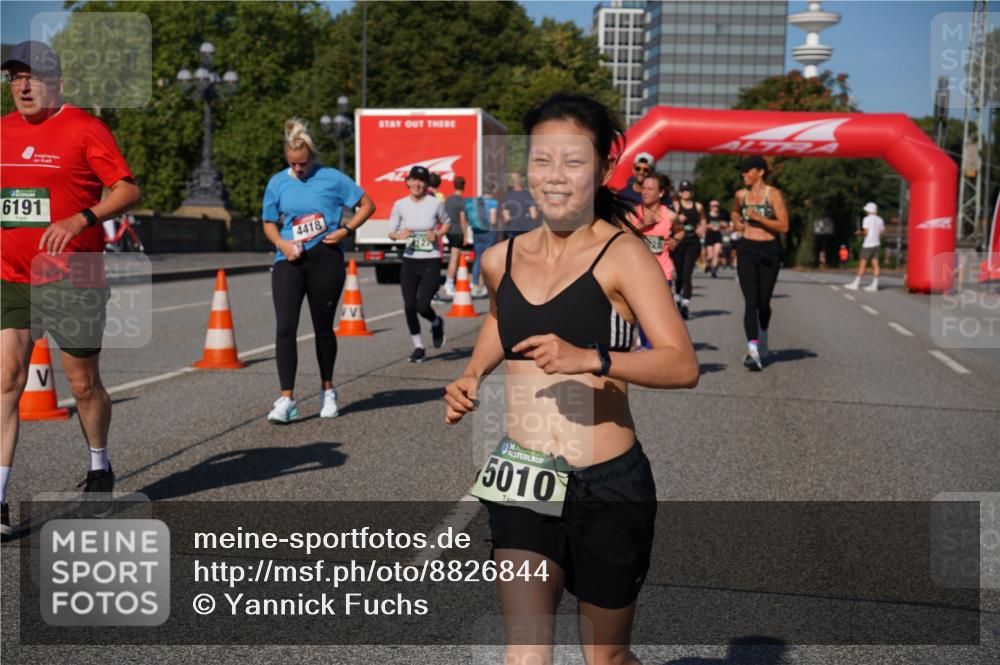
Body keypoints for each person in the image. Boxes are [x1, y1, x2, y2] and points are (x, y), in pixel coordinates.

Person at [444, 93, 698, 665]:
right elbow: (499, 317)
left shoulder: (624, 255)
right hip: (524, 476)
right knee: (526, 654)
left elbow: (682, 364)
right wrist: (470, 373)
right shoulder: (499, 258)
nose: (554, 177)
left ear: (605, 166)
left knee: (604, 659)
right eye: (542, 160)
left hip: (608, 484)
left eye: (573, 161)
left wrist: (594, 359)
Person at [1, 41, 142, 535]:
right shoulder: (1, 131)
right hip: (12, 277)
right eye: (14, 77)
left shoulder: (85, 128)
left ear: (57, 82)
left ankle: (99, 466)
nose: (22, 85)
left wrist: (81, 217)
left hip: (74, 276)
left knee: (83, 386)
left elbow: (127, 188)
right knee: (6, 382)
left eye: (32, 76)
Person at [261, 119, 375, 423]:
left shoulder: (333, 178)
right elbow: (268, 222)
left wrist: (346, 230)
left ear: (312, 155)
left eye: (303, 163)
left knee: (322, 328)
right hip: (289, 260)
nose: (298, 169)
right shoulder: (277, 182)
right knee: (285, 327)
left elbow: (367, 204)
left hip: (325, 258)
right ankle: (286, 399)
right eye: (292, 163)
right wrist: (282, 245)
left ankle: (328, 391)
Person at [730, 156, 789, 371]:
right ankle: (752, 351)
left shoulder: (773, 194)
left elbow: (784, 226)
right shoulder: (741, 195)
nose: (743, 174)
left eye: (747, 170)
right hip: (747, 250)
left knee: (764, 303)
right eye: (742, 171)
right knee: (750, 301)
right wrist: (737, 222)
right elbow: (735, 213)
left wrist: (760, 218)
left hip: (770, 251)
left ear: (760, 172)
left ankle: (763, 332)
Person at [389, 165, 450, 363]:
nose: (417, 184)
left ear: (426, 184)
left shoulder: (435, 204)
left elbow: (447, 222)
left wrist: (438, 233)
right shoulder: (400, 204)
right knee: (409, 307)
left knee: (423, 305)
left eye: (421, 181)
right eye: (414, 180)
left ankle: (436, 321)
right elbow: (391, 231)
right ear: (407, 182)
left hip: (430, 260)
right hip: (410, 261)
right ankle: (418, 346)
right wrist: (399, 235)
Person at [627, 173, 677, 349]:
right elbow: (620, 238)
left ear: (661, 192)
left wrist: (675, 242)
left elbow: (679, 233)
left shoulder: (670, 215)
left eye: (650, 189)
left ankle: (654, 350)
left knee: (660, 315)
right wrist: (641, 226)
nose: (645, 192)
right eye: (643, 188)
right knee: (641, 314)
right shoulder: (633, 213)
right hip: (638, 272)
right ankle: (647, 347)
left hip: (663, 271)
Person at [670, 179, 706, 319]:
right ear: (679, 192)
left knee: (687, 274)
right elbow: (668, 220)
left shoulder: (698, 206)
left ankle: (685, 305)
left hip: (692, 242)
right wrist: (678, 218)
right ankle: (678, 297)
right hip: (679, 242)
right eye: (683, 190)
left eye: (688, 190)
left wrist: (702, 227)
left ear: (691, 192)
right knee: (679, 274)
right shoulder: (675, 205)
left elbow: (703, 220)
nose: (686, 192)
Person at [464, 186, 498, 298]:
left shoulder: (477, 202)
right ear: (491, 193)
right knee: (488, 260)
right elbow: (493, 220)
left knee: (478, 258)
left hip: (477, 232)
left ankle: (474, 284)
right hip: (489, 233)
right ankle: (486, 286)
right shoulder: (493, 203)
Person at [845, 202, 884, 292]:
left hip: (868, 244)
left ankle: (856, 284)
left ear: (869, 210)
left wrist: (859, 233)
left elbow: (866, 232)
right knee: (876, 265)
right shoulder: (880, 219)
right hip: (876, 243)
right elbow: (881, 231)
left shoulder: (866, 219)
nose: (865, 211)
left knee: (862, 264)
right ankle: (875, 285)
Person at [443, 175, 469, 297]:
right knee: (454, 258)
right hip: (457, 231)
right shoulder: (461, 201)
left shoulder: (448, 199)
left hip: (448, 231)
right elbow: (463, 219)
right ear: (463, 186)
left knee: (455, 258)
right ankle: (449, 283)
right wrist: (465, 235)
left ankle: (451, 280)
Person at [502, 171, 538, 240]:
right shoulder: (528, 195)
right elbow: (533, 216)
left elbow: (506, 219)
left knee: (514, 250)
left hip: (513, 230)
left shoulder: (507, 197)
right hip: (527, 230)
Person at [704, 199, 725, 277]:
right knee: (710, 256)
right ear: (710, 207)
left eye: (716, 206)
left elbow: (725, 224)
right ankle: (708, 264)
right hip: (709, 236)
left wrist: (722, 225)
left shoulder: (720, 215)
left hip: (717, 236)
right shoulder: (707, 215)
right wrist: (709, 226)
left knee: (716, 254)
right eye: (713, 206)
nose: (715, 207)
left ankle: (714, 271)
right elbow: (703, 225)